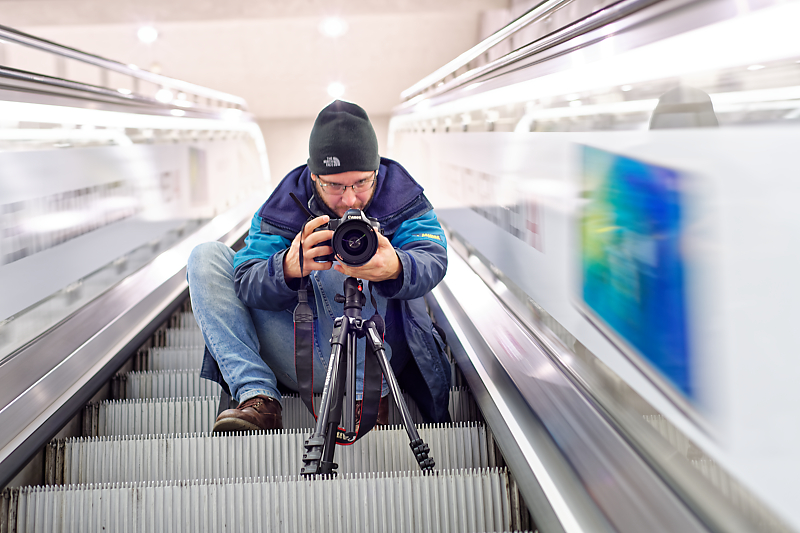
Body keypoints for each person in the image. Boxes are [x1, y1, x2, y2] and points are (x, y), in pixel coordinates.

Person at [187, 100, 451, 432]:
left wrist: (396, 266)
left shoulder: (402, 195)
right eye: (336, 186)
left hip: (382, 352)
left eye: (361, 183)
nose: (350, 199)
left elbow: (433, 257)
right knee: (205, 256)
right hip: (301, 349)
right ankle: (257, 397)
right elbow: (245, 279)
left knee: (348, 259)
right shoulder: (284, 203)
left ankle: (366, 398)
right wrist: (286, 267)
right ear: (314, 177)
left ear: (376, 171)